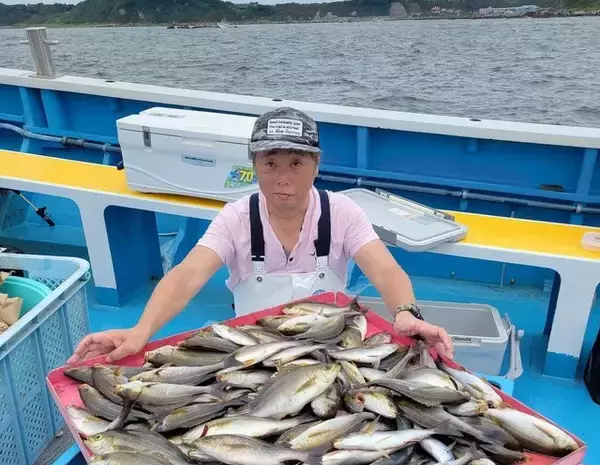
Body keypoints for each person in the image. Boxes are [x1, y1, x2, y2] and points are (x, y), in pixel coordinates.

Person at [69, 107, 452, 364]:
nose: (283, 176)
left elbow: (385, 270)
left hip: (332, 346)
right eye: (270, 163)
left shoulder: (342, 212)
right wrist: (141, 331)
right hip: (254, 349)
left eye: (296, 163)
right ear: (254, 165)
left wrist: (405, 313)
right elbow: (188, 275)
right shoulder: (236, 217)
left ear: (316, 165)